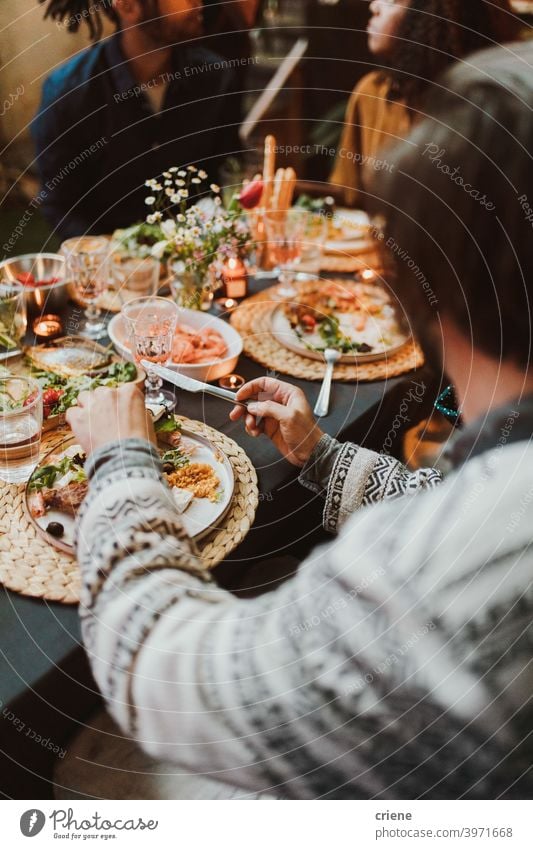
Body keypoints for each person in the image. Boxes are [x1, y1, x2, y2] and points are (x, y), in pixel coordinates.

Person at [65, 40, 533, 799]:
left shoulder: (447, 580)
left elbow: (163, 675)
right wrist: (322, 453)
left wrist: (120, 458)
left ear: (429, 289)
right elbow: (449, 510)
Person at [32, 0, 241, 238]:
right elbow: (60, 205)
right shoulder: (68, 94)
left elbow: (226, 171)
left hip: (196, 256)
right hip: (109, 264)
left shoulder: (216, 79)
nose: (197, 2)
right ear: (129, 6)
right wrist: (111, 255)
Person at [330, 0, 520, 207]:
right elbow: (346, 199)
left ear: (430, 12)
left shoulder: (485, 109)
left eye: (391, 1)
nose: (374, 6)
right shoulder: (371, 93)